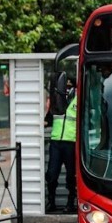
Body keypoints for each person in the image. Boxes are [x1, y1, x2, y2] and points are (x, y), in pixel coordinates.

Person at [46, 76, 77, 213]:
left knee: (71, 176)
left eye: (70, 86)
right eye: (66, 86)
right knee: (51, 175)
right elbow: (48, 119)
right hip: (56, 141)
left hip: (71, 142)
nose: (68, 88)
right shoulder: (57, 99)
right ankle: (51, 202)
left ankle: (70, 203)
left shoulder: (78, 99)